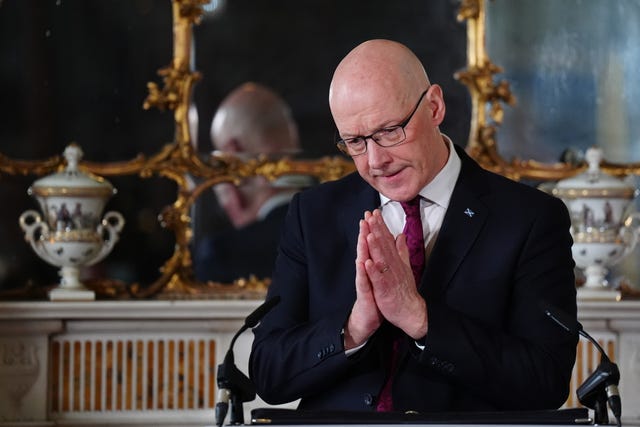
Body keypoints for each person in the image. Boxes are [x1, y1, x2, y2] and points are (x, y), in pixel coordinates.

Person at [249, 39, 578, 413]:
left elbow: (546, 381)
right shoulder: (313, 214)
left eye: (390, 131)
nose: (376, 161)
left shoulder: (531, 218)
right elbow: (268, 373)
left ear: (434, 106)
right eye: (355, 142)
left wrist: (420, 319)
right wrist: (354, 328)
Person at [194, 82, 313, 283]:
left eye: (221, 160)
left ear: (233, 153)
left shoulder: (223, 255)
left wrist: (241, 221)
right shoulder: (343, 230)